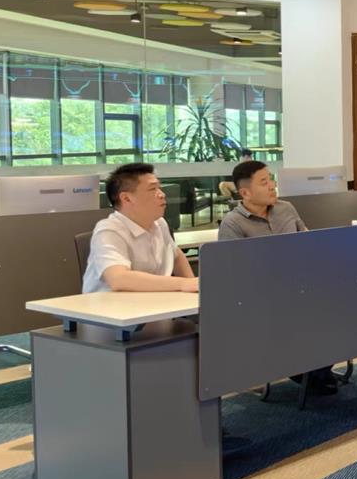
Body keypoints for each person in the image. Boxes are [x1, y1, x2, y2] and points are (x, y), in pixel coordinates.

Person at [218, 160, 336, 394]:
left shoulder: (286, 208)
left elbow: (308, 242)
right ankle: (304, 369)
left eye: (271, 179)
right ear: (245, 193)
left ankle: (316, 367)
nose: (272, 185)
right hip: (262, 297)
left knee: (339, 303)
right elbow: (232, 273)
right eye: (264, 182)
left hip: (298, 287)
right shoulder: (233, 224)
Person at [82, 163, 198, 293]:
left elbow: (176, 256)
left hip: (153, 302)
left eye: (159, 188)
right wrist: (183, 283)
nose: (161, 194)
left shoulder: (159, 223)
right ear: (126, 198)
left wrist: (195, 286)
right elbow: (119, 278)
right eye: (152, 189)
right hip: (113, 304)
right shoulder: (109, 230)